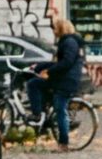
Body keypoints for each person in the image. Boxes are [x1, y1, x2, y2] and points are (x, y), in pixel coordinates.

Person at [26, 18, 84, 150]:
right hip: (65, 78)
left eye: (55, 28)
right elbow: (59, 63)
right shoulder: (69, 41)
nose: (53, 30)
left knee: (59, 109)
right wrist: (39, 67)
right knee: (36, 83)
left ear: (61, 28)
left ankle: (63, 142)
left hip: (66, 81)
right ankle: (42, 115)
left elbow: (66, 63)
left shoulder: (69, 42)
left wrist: (49, 72)